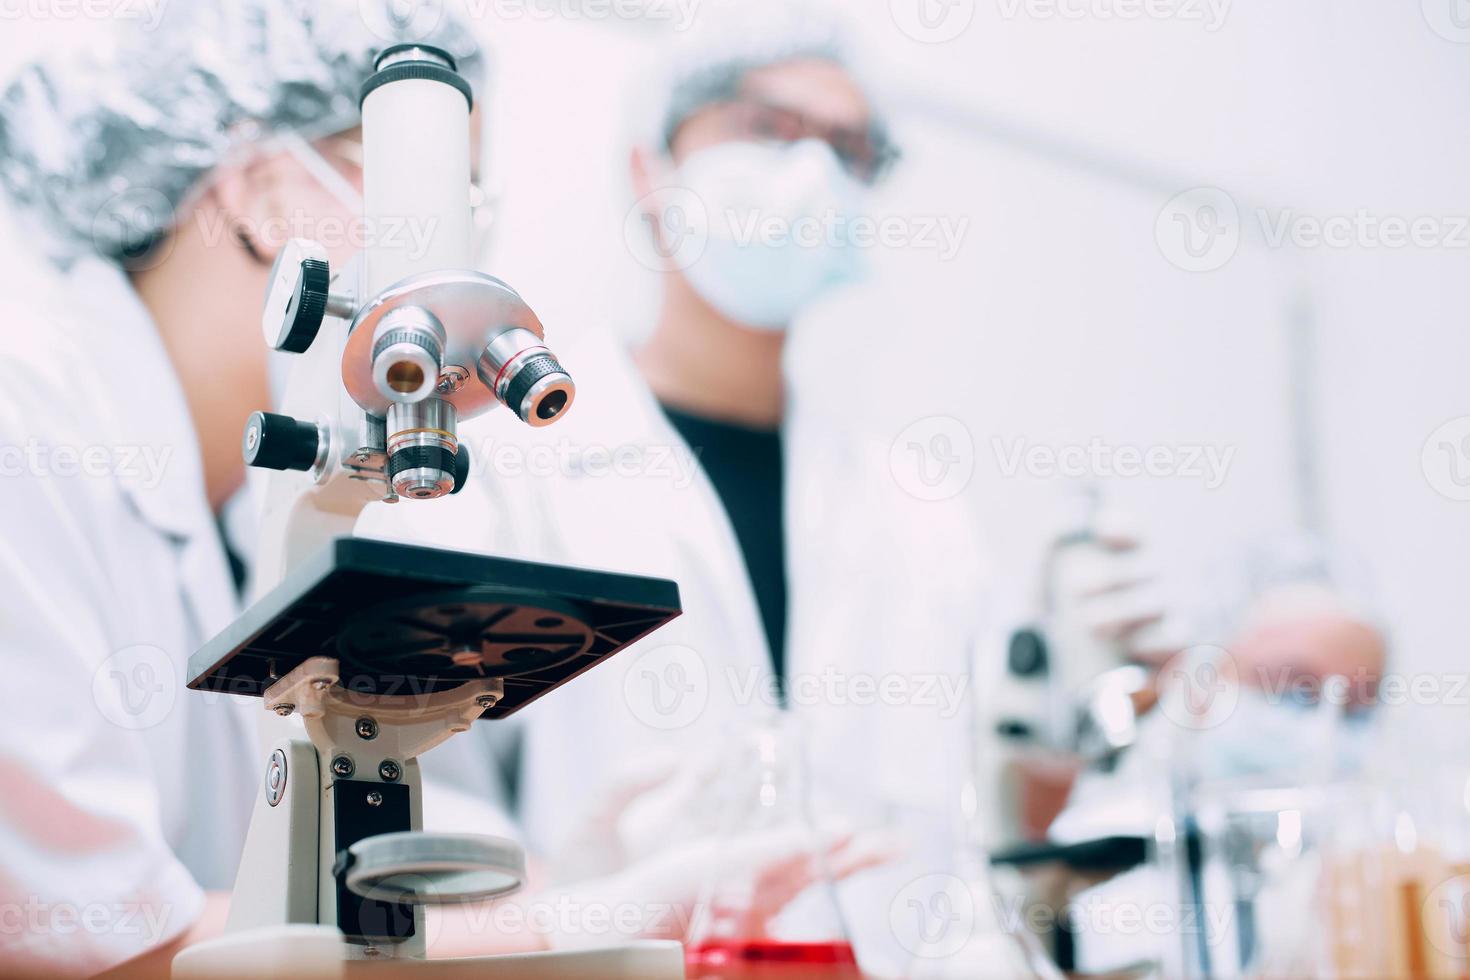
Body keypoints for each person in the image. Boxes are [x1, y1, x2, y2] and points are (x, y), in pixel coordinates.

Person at [359, 6, 1025, 974]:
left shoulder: (919, 511)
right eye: (765, 128)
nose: (810, 175)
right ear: (651, 169)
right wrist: (578, 901)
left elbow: (978, 836)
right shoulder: (502, 474)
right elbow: (426, 838)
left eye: (848, 147)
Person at [0, 4, 490, 975]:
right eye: (432, 197)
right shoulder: (25, 423)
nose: (461, 262)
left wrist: (589, 860)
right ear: (266, 191)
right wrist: (581, 917)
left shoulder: (248, 503)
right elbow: (90, 938)